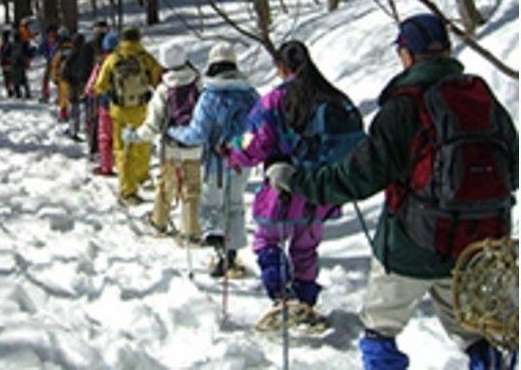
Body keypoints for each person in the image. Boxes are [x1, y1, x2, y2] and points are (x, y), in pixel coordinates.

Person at [264, 14, 518, 369]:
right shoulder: (482, 99)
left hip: (411, 245)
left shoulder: (405, 105)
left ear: (408, 54)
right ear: (445, 49)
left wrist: (294, 180)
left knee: (380, 329)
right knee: (475, 333)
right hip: (478, 243)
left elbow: (357, 177)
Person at [228, 40, 360, 309]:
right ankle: (306, 301)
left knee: (267, 240)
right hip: (322, 189)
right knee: (306, 248)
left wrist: (234, 152)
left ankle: (280, 298)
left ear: (282, 67)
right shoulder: (334, 96)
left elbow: (254, 142)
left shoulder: (274, 101)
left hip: (284, 186)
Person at [167, 42, 258, 278]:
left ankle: (221, 256)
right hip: (242, 161)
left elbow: (196, 134)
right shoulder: (251, 95)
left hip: (216, 165)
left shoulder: (210, 97)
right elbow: (258, 130)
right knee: (235, 205)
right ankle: (232, 255)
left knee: (211, 207)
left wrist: (174, 132)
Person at [123, 42, 203, 242]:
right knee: (192, 189)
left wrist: (135, 136)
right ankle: (191, 231)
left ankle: (159, 221)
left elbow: (153, 125)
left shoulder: (164, 90)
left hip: (171, 147)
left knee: (167, 186)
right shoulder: (198, 83)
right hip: (195, 146)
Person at [93, 26, 162, 205]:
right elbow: (157, 80)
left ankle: (128, 189)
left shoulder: (113, 59)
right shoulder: (145, 58)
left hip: (119, 111)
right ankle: (141, 176)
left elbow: (99, 85)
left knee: (122, 150)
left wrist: (108, 93)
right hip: (141, 109)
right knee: (143, 144)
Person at [85, 31, 120, 176]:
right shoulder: (130, 60)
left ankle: (106, 166)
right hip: (128, 107)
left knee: (105, 136)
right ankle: (125, 166)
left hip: (106, 106)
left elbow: (90, 88)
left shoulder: (101, 64)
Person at [85, 21, 110, 159]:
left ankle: (94, 149)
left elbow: (85, 66)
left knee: (94, 119)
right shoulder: (114, 46)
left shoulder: (89, 46)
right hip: (111, 88)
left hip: (94, 87)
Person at [63, 33, 95, 140]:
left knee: (74, 108)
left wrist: (67, 79)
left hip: (73, 84)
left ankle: (73, 130)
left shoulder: (71, 54)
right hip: (85, 83)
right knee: (87, 108)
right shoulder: (87, 53)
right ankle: (88, 130)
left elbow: (64, 71)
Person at [51, 29, 73, 121]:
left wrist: (54, 77)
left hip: (62, 76)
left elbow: (55, 64)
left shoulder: (59, 51)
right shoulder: (74, 49)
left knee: (63, 96)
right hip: (73, 76)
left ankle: (64, 115)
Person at [37, 25, 60, 103]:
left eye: (53, 33)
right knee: (46, 79)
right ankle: (45, 95)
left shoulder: (59, 40)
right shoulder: (46, 41)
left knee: (58, 80)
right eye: (50, 34)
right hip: (50, 62)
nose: (52, 35)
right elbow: (40, 50)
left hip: (58, 62)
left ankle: (60, 97)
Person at [7, 30, 33, 98]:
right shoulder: (23, 44)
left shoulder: (12, 45)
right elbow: (28, 53)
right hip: (20, 64)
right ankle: (26, 93)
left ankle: (19, 93)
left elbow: (7, 53)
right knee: (23, 79)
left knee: (16, 79)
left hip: (15, 63)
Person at [0, 29, 13, 97]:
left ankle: (9, 90)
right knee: (8, 77)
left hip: (6, 63)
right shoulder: (7, 44)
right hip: (6, 63)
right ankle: (9, 89)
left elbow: (2, 53)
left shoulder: (5, 44)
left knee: (7, 77)